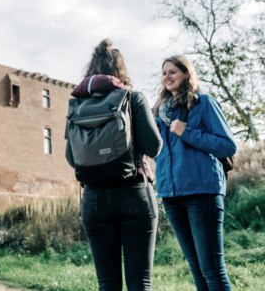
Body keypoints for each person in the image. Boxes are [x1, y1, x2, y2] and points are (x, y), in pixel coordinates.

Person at [75, 39, 163, 291]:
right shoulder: (132, 98)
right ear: (120, 69)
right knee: (140, 282)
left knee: (108, 284)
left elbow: (72, 157)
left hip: (93, 198)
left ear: (91, 69)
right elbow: (153, 147)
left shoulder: (77, 105)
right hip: (134, 193)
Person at [153, 55, 237, 291]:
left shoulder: (204, 103)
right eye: (164, 72)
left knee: (212, 269)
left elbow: (228, 146)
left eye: (172, 72)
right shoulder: (160, 111)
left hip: (202, 192)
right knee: (197, 270)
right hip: (171, 195)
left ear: (186, 74)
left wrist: (187, 131)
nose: (167, 77)